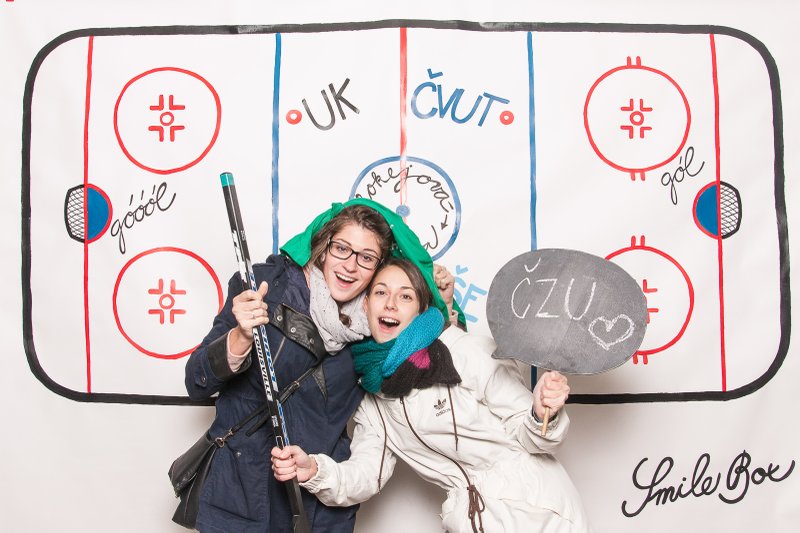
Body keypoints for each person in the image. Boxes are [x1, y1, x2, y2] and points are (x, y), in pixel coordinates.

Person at [185, 198, 463, 533]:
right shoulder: (265, 288)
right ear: (322, 246)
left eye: (366, 258)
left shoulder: (380, 325)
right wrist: (240, 337)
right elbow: (196, 382)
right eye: (342, 249)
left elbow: (431, 365)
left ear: (379, 266)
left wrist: (443, 305)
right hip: (240, 496)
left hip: (317, 509)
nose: (350, 266)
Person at [271, 258, 592, 532]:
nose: (390, 303)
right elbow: (366, 474)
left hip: (537, 510)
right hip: (473, 519)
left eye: (405, 296)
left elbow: (533, 439)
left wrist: (541, 413)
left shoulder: (463, 350)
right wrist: (315, 471)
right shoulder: (372, 396)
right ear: (365, 305)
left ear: (420, 309)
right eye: (380, 292)